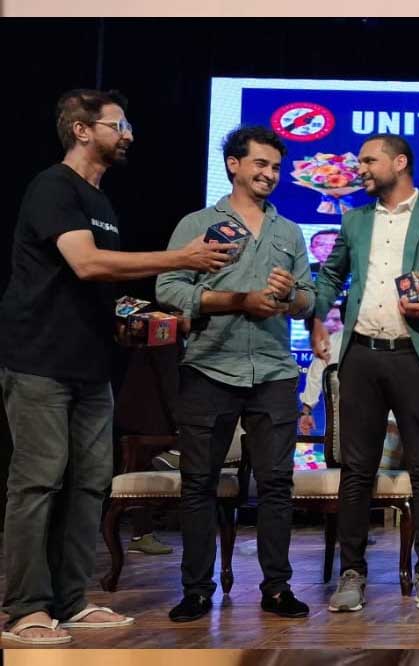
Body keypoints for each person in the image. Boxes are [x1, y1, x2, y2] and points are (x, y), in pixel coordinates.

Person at [0, 89, 234, 645]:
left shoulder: (100, 202)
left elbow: (95, 285)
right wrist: (182, 258)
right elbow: (86, 264)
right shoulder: (53, 187)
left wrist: (131, 319)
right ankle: (25, 610)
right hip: (39, 362)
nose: (129, 134)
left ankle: (71, 601)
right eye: (118, 125)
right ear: (82, 130)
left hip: (91, 364)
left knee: (89, 484)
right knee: (39, 483)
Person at [157, 125, 316, 623]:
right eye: (260, 164)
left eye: (276, 167)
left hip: (273, 372)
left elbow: (309, 301)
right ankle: (197, 591)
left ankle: (277, 589)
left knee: (276, 485)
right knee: (199, 483)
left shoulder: (289, 232)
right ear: (233, 164)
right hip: (210, 366)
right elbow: (169, 287)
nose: (270, 174)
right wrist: (234, 301)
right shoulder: (198, 224)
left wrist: (292, 294)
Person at [312, 132, 419, 612]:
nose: (360, 169)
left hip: (416, 355)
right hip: (361, 355)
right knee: (356, 469)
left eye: (369, 160)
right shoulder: (355, 219)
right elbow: (331, 274)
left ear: (399, 162)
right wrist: (316, 315)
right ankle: (352, 574)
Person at [298, 302, 346, 437]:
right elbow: (315, 375)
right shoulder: (330, 345)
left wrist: (306, 411)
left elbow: (315, 376)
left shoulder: (330, 344)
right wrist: (306, 411)